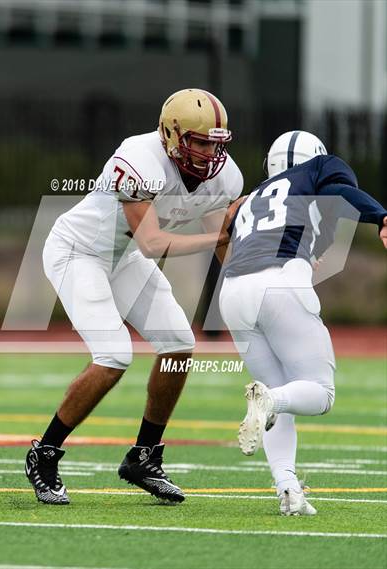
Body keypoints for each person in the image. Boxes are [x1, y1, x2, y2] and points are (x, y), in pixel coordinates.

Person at [25, 88, 243, 505]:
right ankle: (45, 452)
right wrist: (219, 234)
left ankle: (144, 456)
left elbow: (222, 240)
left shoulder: (226, 175)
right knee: (114, 355)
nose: (208, 153)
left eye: (215, 143)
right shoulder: (139, 158)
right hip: (79, 250)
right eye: (199, 141)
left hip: (121, 257)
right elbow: (152, 242)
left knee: (179, 343)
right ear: (172, 134)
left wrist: (244, 283)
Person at [219, 130, 387, 516]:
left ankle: (288, 491)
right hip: (278, 282)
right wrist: (379, 215)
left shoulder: (251, 200)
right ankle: (270, 400)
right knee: (317, 393)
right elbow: (343, 194)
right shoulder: (320, 168)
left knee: (279, 395)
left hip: (232, 292)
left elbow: (227, 239)